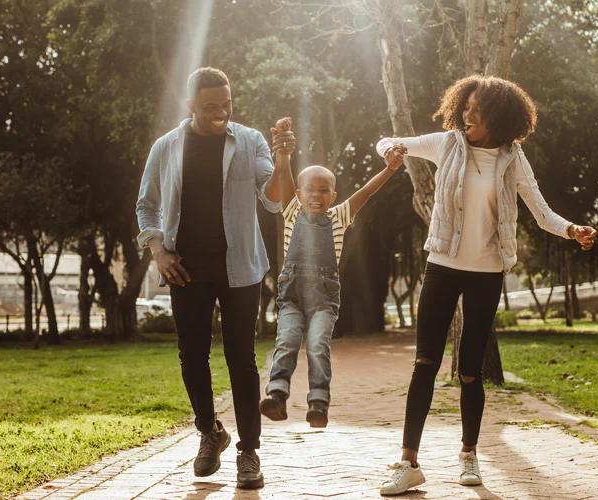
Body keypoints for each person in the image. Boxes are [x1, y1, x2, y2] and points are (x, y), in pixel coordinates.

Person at [374, 75, 597, 496]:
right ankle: (408, 463)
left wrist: (572, 230)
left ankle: (469, 456)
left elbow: (542, 212)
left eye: (477, 110)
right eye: (466, 106)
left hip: (486, 273)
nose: (466, 114)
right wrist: (392, 150)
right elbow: (388, 140)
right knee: (424, 365)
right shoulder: (447, 144)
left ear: (499, 117)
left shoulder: (513, 160)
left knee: (471, 371)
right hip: (442, 265)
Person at [136, 67, 292, 490]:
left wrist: (282, 161)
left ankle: (248, 452)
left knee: (241, 358)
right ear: (190, 107)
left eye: (227, 104)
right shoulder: (166, 147)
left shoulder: (250, 141)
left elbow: (274, 201)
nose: (221, 112)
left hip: (240, 266)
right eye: (210, 107)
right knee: (192, 356)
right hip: (186, 268)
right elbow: (145, 206)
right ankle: (210, 432)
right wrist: (158, 251)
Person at [259, 117, 404, 428]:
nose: (316, 196)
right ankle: (277, 395)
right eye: (309, 190)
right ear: (298, 193)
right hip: (292, 298)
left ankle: (318, 403)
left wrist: (389, 170)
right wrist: (283, 143)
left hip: (324, 300)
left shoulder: (340, 216)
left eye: (324, 190)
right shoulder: (292, 210)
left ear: (333, 196)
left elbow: (366, 192)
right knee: (286, 340)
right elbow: (283, 173)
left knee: (317, 345)